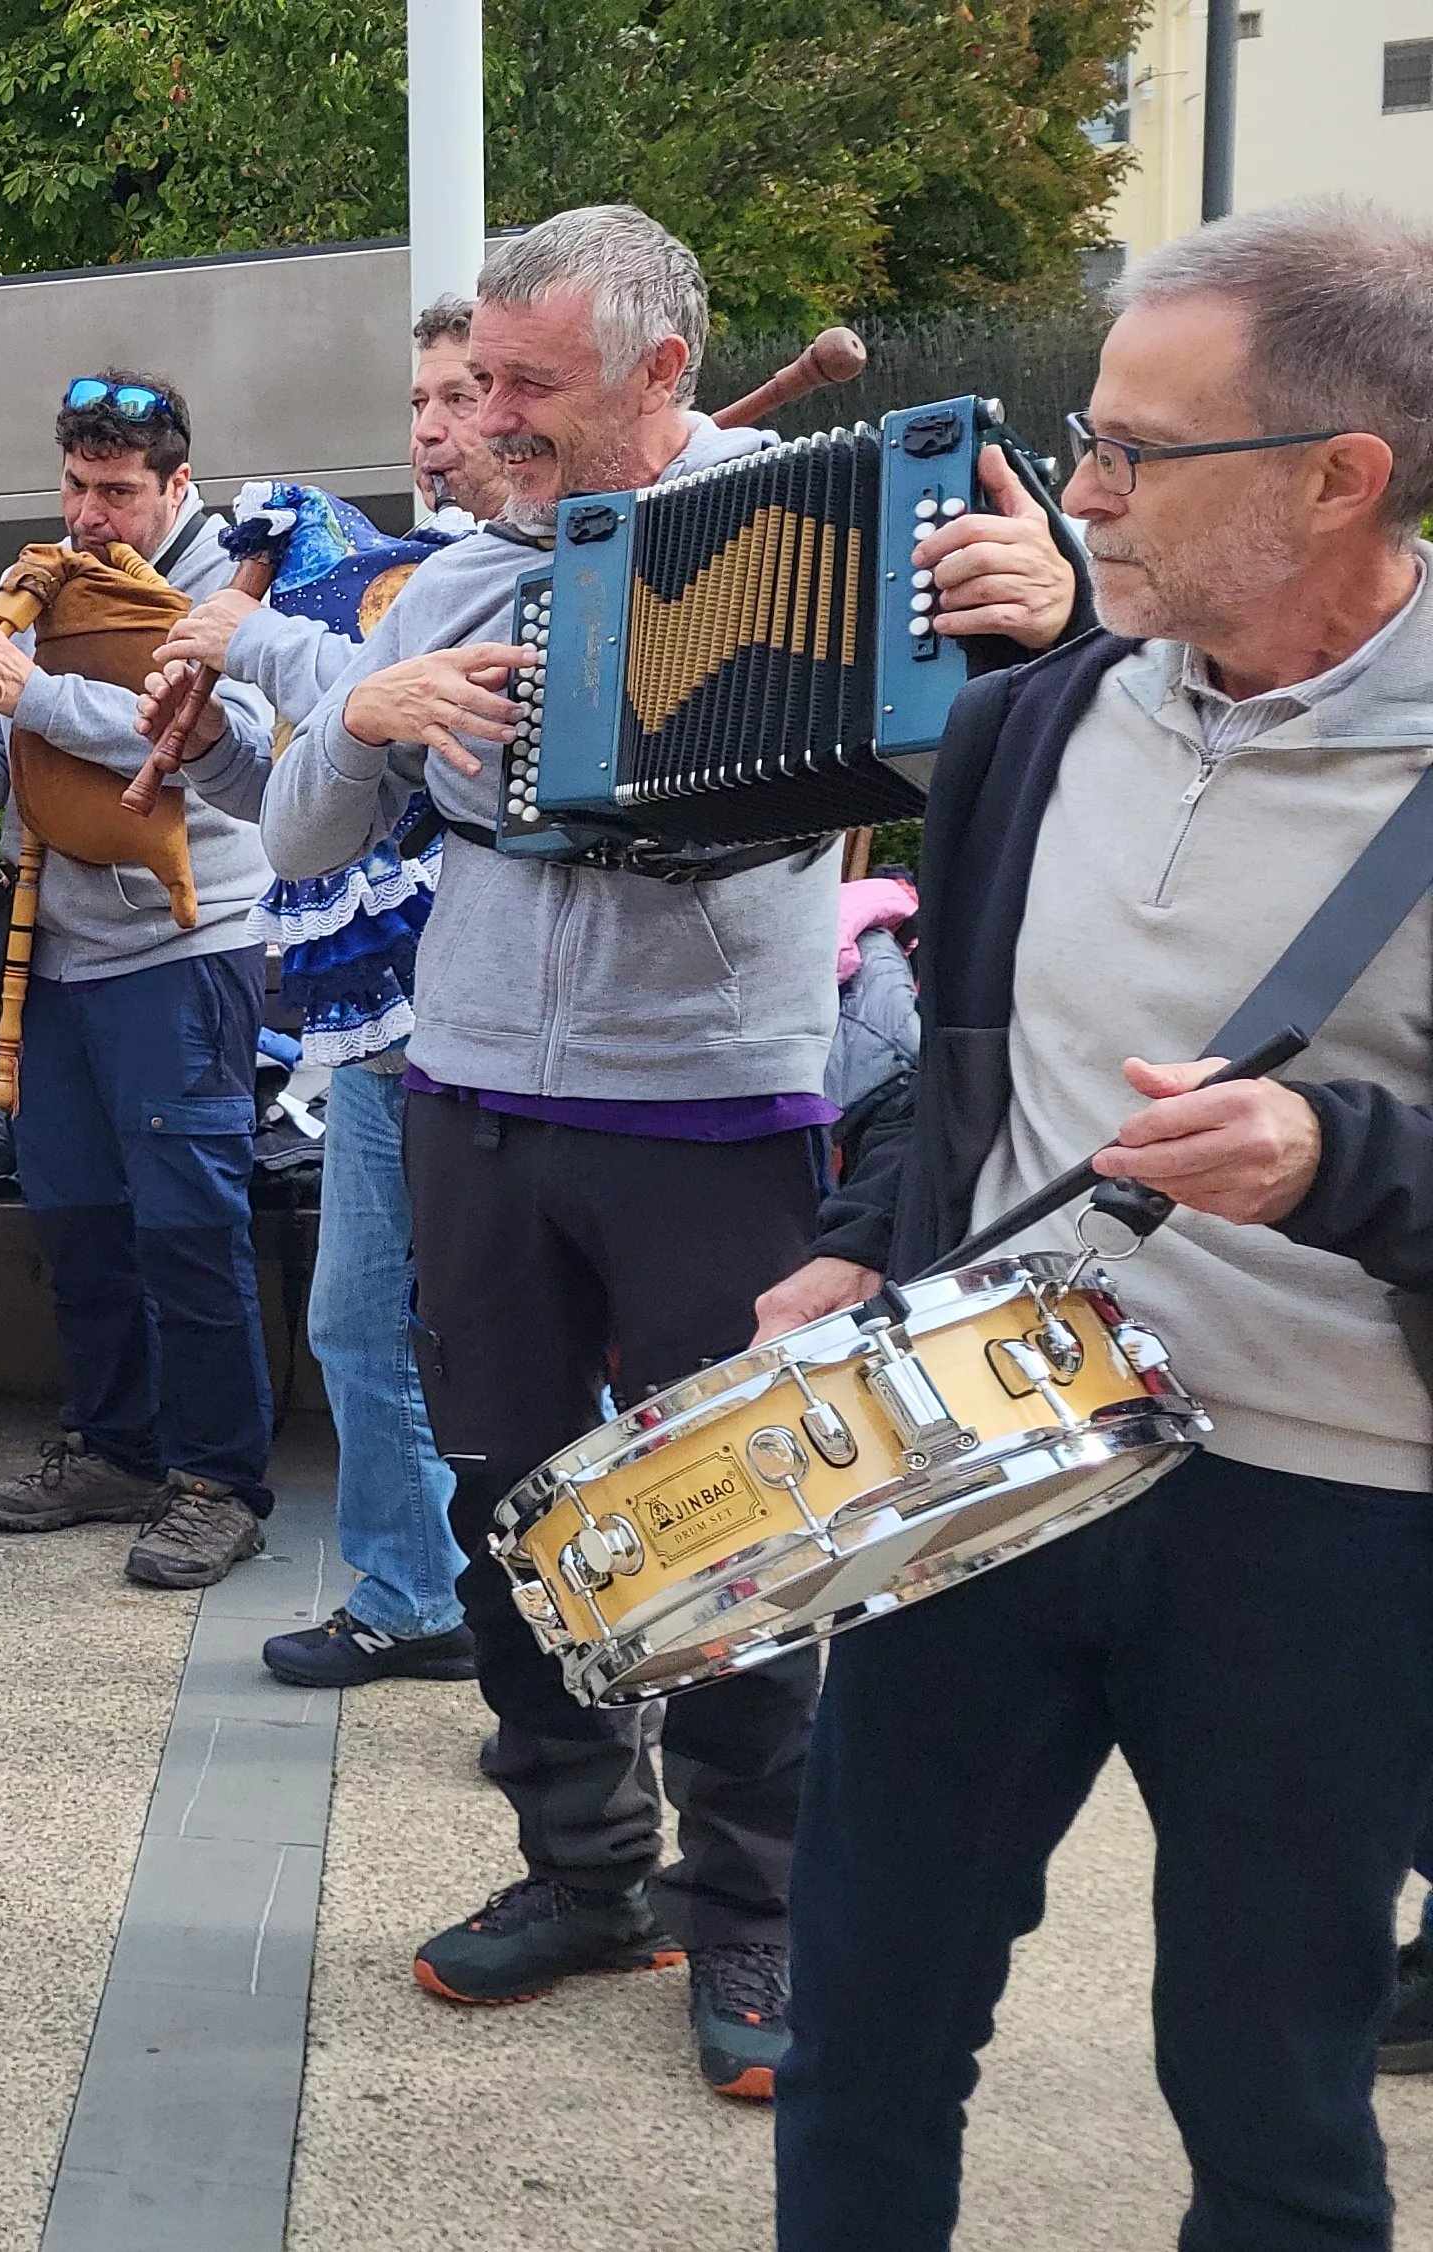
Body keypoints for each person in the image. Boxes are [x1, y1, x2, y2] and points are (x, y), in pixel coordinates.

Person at [258, 204, 1083, 2098]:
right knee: (509, 1509)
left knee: (733, 1526)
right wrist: (364, 718)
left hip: (714, 1100)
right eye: (479, 384)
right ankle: (580, 1868)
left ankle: (757, 1909)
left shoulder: (841, 512)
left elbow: (1036, 720)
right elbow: (297, 845)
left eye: (531, 387)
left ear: (661, 374)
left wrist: (1057, 604)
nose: (488, 422)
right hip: (469, 1094)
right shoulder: (457, 581)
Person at [760, 198, 1433, 2246]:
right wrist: (874, 1233)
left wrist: (1333, 1164)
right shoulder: (1025, 722)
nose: (1082, 491)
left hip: (1326, 1517)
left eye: (1142, 452)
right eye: (1089, 436)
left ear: (1340, 479)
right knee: (856, 2033)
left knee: (1264, 2092)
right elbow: (972, 1058)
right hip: (987, 1451)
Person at [0, 369, 291, 1590]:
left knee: (186, 1224)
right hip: (49, 955)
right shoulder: (49, 576)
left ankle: (221, 1480)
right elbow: (5, 787)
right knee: (77, 1219)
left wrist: (35, 693)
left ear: (177, 484)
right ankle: (116, 1445)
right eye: (74, 485)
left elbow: (222, 740)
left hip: (184, 949)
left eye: (116, 490)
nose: (90, 512)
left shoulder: (236, 586)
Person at [155, 301, 500, 1684]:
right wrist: (198, 758)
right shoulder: (371, 586)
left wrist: (241, 633)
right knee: (357, 1319)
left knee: (517, 1340)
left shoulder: (511, 575)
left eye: (464, 395)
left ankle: (562, 1626)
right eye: (419, 398)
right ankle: (414, 1590)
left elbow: (379, 698)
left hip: (488, 1019)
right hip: (376, 1034)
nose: (430, 426)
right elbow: (312, 812)